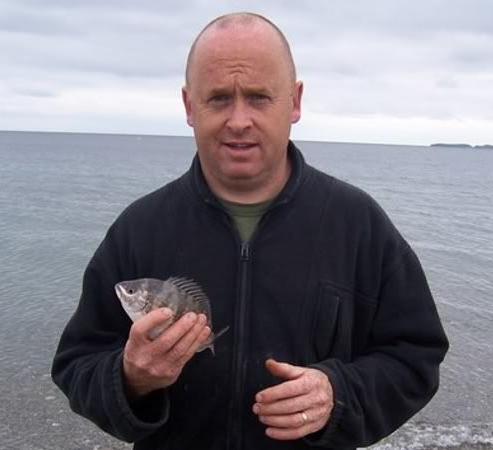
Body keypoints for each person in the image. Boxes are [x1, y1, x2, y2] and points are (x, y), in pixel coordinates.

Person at [52, 12, 449, 450]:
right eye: (219, 98)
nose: (239, 120)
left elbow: (416, 357)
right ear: (189, 106)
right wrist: (130, 377)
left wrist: (338, 394)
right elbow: (76, 364)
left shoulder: (357, 224)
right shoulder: (140, 228)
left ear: (294, 102)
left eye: (259, 97)